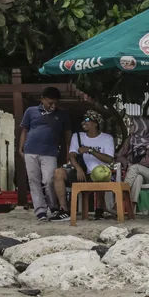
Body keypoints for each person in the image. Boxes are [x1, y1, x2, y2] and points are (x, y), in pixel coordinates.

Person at [51, 110, 116, 221]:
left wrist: (90, 150)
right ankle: (65, 210)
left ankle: (99, 209)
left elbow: (110, 159)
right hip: (81, 172)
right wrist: (78, 168)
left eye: (87, 120)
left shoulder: (106, 138)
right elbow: (72, 155)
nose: (83, 122)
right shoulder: (77, 136)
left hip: (99, 173)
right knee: (58, 173)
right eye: (83, 120)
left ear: (96, 123)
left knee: (100, 175)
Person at [19, 86, 70, 221]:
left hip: (50, 152)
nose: (53, 106)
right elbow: (24, 130)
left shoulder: (62, 114)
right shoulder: (30, 111)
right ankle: (40, 210)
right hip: (30, 150)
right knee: (33, 180)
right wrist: (20, 149)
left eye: (55, 103)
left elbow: (67, 136)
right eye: (50, 103)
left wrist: (69, 152)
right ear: (42, 99)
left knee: (49, 180)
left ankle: (53, 207)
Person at [117, 115, 149, 210]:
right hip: (135, 173)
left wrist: (132, 165)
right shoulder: (131, 140)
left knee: (135, 168)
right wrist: (126, 162)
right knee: (138, 177)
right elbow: (119, 156)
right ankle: (131, 207)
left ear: (141, 126)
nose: (130, 128)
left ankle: (119, 201)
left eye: (132, 125)